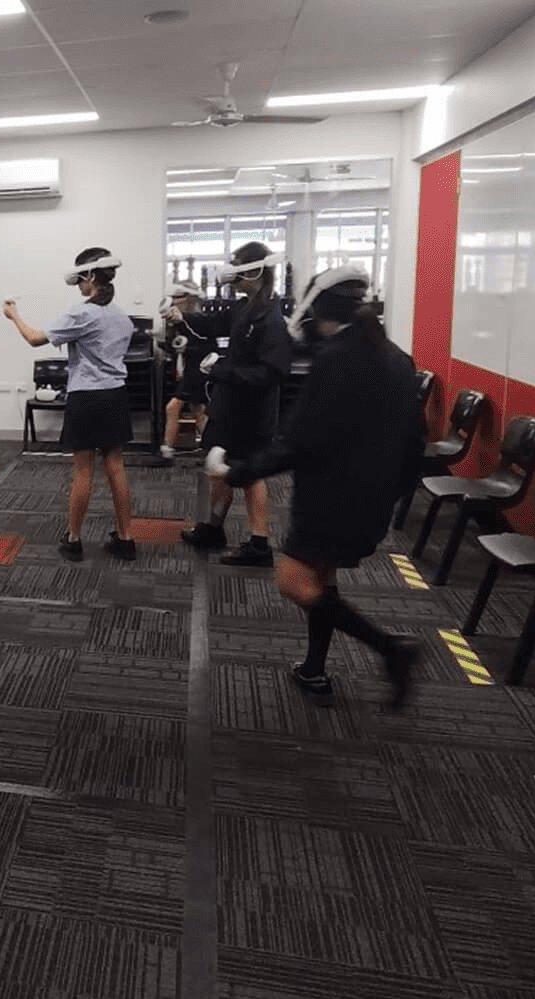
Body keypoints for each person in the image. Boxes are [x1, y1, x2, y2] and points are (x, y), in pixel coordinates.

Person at [209, 265, 424, 708]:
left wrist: (234, 472)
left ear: (314, 310)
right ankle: (314, 668)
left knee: (292, 581)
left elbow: (296, 441)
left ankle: (390, 649)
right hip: (372, 498)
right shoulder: (395, 357)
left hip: (331, 497)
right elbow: (414, 438)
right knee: (321, 580)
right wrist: (395, 492)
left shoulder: (335, 361)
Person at [3, 247, 136, 561]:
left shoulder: (82, 313)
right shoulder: (122, 316)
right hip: (116, 395)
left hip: (88, 397)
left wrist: (14, 316)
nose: (79, 285)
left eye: (81, 279)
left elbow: (36, 338)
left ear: (91, 277)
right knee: (116, 467)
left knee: (83, 472)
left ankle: (73, 539)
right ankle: (126, 538)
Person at [170, 241, 292, 567]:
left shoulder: (271, 320)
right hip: (230, 405)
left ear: (254, 272)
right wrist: (183, 315)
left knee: (250, 475)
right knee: (217, 469)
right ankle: (213, 528)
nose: (233, 279)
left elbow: (271, 372)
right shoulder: (244, 307)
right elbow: (213, 326)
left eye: (239, 271)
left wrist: (220, 370)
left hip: (252, 411)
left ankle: (260, 543)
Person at [152, 280, 210, 467]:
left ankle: (167, 451)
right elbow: (173, 346)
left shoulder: (200, 321)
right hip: (187, 371)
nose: (175, 301)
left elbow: (210, 348)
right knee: (198, 412)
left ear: (190, 299)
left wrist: (187, 347)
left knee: (173, 407)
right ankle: (211, 450)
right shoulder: (179, 321)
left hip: (198, 372)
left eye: (179, 297)